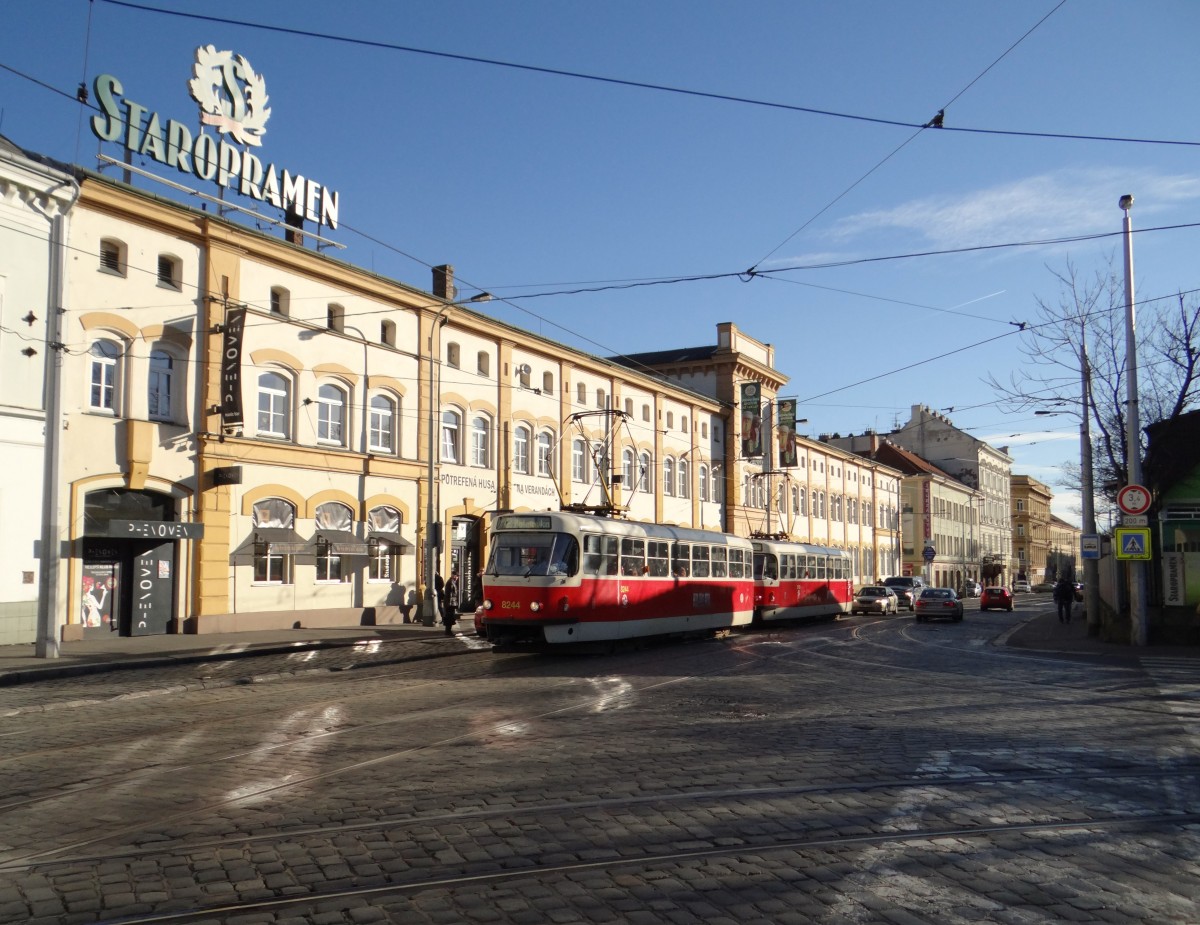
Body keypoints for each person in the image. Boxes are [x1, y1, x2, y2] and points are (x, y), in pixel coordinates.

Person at [442, 568, 459, 636]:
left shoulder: (452, 582)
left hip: (451, 603)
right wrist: (449, 603)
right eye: (456, 576)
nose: (457, 577)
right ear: (453, 575)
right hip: (450, 603)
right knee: (449, 617)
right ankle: (448, 631)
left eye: (457, 576)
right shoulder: (451, 582)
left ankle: (448, 631)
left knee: (450, 617)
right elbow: (450, 594)